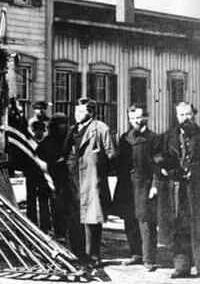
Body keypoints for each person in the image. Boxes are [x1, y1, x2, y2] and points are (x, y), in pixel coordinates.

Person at [64, 97, 117, 267]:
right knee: (75, 218)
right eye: (76, 111)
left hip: (92, 180)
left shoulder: (101, 129)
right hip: (73, 180)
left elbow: (112, 155)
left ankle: (93, 256)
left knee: (92, 219)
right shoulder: (72, 130)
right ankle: (77, 254)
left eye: (81, 111)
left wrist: (98, 168)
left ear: (91, 112)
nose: (77, 115)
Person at [111, 105, 159, 271]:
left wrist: (155, 185)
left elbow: (158, 166)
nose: (136, 121)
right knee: (129, 220)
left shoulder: (154, 138)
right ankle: (136, 254)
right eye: (132, 118)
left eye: (139, 117)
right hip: (126, 185)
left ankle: (149, 258)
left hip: (144, 185)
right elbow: (118, 162)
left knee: (146, 222)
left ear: (145, 117)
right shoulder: (125, 137)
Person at [155, 102, 200, 279]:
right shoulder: (168, 136)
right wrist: (166, 168)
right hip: (177, 189)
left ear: (194, 115)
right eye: (181, 115)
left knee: (198, 226)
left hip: (197, 189)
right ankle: (182, 267)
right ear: (176, 116)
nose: (185, 118)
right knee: (179, 225)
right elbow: (157, 156)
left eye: (188, 114)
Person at [39, 113, 70, 240]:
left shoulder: (68, 138)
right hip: (54, 177)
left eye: (64, 123)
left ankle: (66, 231)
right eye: (60, 124)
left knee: (67, 205)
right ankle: (59, 232)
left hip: (68, 176)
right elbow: (41, 155)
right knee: (57, 205)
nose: (63, 127)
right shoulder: (48, 141)